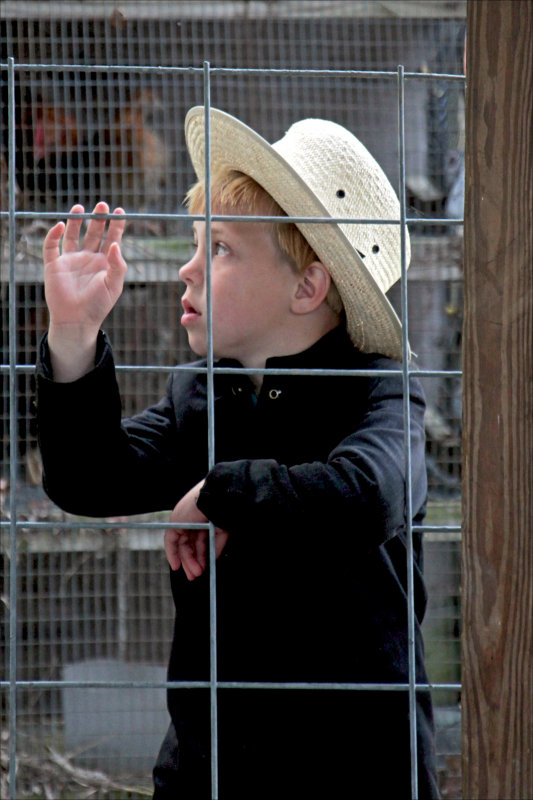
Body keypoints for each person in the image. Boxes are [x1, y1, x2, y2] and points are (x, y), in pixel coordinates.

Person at [36, 107, 440, 798]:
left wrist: (221, 492)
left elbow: (367, 494)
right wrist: (73, 337)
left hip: (355, 769)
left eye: (217, 248)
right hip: (210, 765)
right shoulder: (203, 396)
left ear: (307, 286)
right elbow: (88, 479)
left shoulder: (378, 395)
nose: (186, 271)